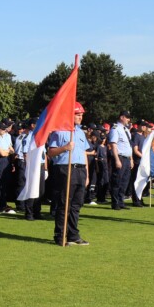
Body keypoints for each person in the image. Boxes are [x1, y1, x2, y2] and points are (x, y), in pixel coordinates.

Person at [47, 102, 90, 246]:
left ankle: (73, 234)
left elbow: (84, 153)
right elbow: (51, 152)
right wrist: (65, 147)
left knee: (76, 204)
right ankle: (60, 235)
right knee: (64, 204)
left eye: (81, 114)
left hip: (80, 169)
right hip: (65, 168)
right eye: (78, 114)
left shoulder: (80, 132)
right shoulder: (59, 131)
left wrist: (87, 174)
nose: (80, 117)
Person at [106, 111, 133, 211]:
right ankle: (115, 202)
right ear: (121, 117)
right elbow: (113, 145)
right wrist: (117, 159)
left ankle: (121, 201)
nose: (128, 120)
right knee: (117, 181)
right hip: (120, 157)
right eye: (127, 117)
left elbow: (129, 146)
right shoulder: (115, 128)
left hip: (126, 158)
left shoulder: (126, 130)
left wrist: (131, 159)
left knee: (124, 181)